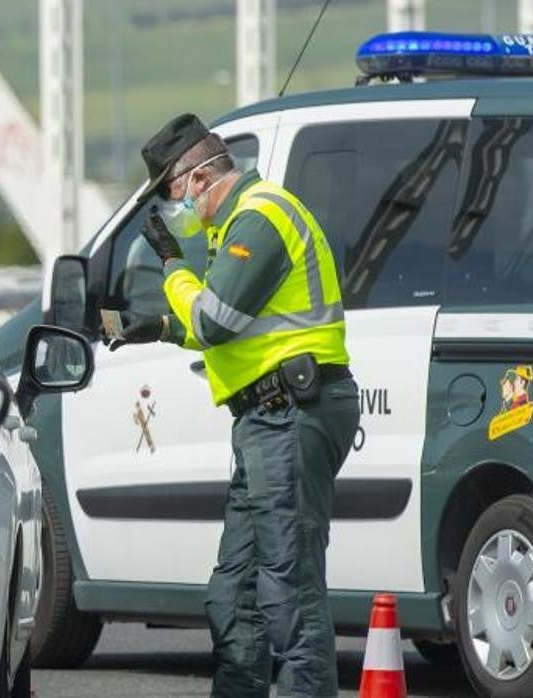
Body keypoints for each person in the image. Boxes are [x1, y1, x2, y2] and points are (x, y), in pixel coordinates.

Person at [110, 113, 360, 698]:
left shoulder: (261, 216)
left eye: (171, 194)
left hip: (292, 413)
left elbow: (216, 320)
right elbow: (223, 323)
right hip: (265, 419)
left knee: (289, 592)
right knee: (236, 594)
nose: (176, 209)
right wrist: (161, 328)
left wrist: (172, 267)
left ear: (197, 177)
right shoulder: (237, 227)